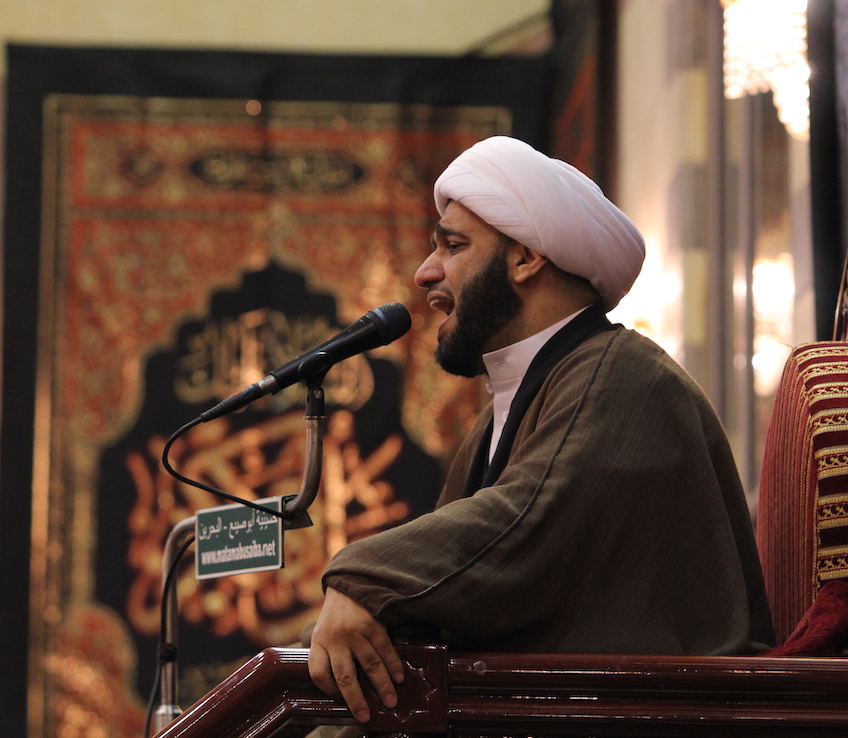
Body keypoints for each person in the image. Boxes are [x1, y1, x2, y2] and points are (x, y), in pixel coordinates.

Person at [306, 136, 775, 724]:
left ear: (525, 259)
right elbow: (448, 598)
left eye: (453, 245)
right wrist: (342, 622)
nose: (425, 273)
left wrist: (360, 577)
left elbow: (523, 522)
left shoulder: (623, 375)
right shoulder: (508, 409)